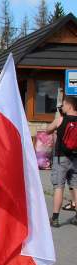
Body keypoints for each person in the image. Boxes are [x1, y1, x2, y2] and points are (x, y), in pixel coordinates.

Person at [46, 95, 77, 227]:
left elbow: (48, 130)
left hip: (61, 158)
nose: (62, 107)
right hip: (75, 158)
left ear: (69, 106)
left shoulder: (61, 119)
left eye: (63, 105)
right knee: (75, 186)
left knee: (59, 187)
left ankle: (55, 218)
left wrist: (56, 122)